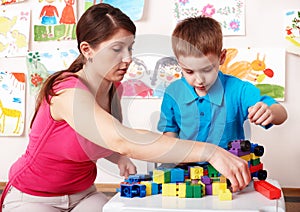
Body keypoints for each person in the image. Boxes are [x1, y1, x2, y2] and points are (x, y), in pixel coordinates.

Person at [1, 4, 252, 212]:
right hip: (33, 196)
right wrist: (209, 152)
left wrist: (116, 156)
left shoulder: (113, 87)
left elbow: (104, 136)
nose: (128, 58)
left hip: (83, 194)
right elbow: (122, 138)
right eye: (117, 49)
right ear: (87, 50)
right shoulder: (66, 91)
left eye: (130, 47)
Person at [157, 16, 287, 150]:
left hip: (228, 168)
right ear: (179, 63)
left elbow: (281, 114)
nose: (200, 80)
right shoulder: (173, 92)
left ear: (222, 57)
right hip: (185, 168)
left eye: (207, 69)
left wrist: (269, 112)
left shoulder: (238, 90)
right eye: (189, 71)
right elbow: (170, 134)